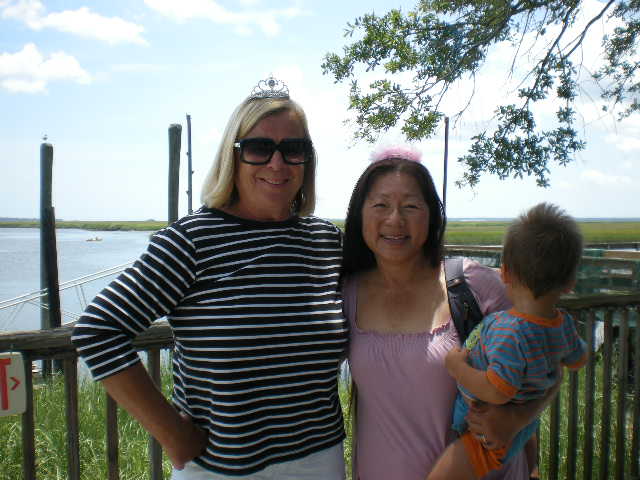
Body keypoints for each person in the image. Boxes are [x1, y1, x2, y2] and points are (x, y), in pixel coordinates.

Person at [71, 76, 348, 479]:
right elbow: (98, 330)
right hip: (222, 468)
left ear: (308, 160)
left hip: (320, 459)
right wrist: (170, 432)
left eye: (293, 149)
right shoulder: (192, 241)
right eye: (258, 148)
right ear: (231, 157)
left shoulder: (326, 242)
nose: (277, 163)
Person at [341, 146, 560, 480]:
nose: (395, 220)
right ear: (359, 215)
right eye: (380, 205)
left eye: (411, 206)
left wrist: (516, 421)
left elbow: (546, 367)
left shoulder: (473, 287)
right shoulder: (347, 293)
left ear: (431, 215)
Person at [427, 202, 588, 480]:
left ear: (506, 274)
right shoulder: (563, 325)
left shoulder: (509, 331)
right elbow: (578, 360)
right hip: (522, 426)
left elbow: (498, 390)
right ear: (570, 282)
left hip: (484, 434)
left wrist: (457, 368)